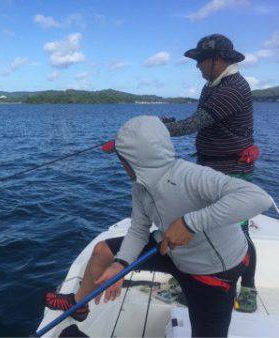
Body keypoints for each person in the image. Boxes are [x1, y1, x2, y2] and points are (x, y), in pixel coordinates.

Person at [44, 116, 272, 337]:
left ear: (135, 158)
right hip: (169, 250)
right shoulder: (140, 186)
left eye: (120, 155)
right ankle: (79, 305)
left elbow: (258, 198)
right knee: (102, 251)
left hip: (211, 271)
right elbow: (138, 229)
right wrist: (121, 264)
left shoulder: (191, 176)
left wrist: (190, 223)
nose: (119, 161)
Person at [162, 34, 259, 312]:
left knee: (237, 231)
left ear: (217, 60)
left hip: (232, 170)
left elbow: (195, 123)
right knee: (205, 226)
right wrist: (170, 122)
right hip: (209, 166)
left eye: (200, 60)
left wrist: (155, 129)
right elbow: (201, 119)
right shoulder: (211, 85)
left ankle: (248, 288)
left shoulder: (233, 88)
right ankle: (202, 280)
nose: (197, 66)